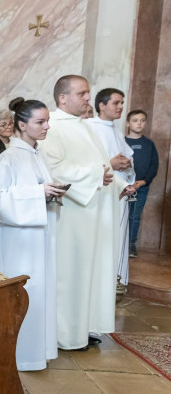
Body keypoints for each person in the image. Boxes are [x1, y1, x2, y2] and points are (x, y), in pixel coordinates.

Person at [37, 75, 134, 351]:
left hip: (95, 215)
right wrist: (95, 176)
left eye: (88, 93)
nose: (87, 99)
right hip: (74, 217)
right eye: (81, 94)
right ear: (62, 98)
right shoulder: (52, 127)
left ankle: (83, 328)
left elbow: (101, 165)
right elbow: (53, 167)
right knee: (72, 274)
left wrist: (120, 185)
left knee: (90, 273)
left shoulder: (84, 126)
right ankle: (65, 334)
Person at [0, 98, 65, 371]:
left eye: (47, 121)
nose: (46, 127)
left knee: (39, 293)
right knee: (24, 294)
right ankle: (18, 355)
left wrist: (52, 192)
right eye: (40, 122)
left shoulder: (36, 154)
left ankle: (35, 353)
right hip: (17, 246)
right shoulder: (8, 157)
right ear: (22, 124)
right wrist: (39, 193)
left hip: (37, 242)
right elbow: (0, 202)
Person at [85, 88, 134, 290]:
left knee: (118, 234)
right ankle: (100, 282)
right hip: (101, 192)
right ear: (101, 105)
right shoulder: (89, 128)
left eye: (122, 102)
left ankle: (116, 278)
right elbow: (84, 162)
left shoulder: (116, 130)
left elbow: (129, 161)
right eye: (116, 103)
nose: (121, 107)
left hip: (119, 192)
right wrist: (110, 163)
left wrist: (128, 166)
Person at [125, 110, 159, 257]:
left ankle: (130, 245)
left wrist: (143, 181)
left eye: (142, 120)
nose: (139, 123)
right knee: (118, 215)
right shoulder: (121, 141)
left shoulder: (149, 144)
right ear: (128, 123)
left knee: (134, 217)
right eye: (135, 120)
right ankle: (117, 244)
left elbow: (154, 165)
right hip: (122, 187)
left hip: (141, 188)